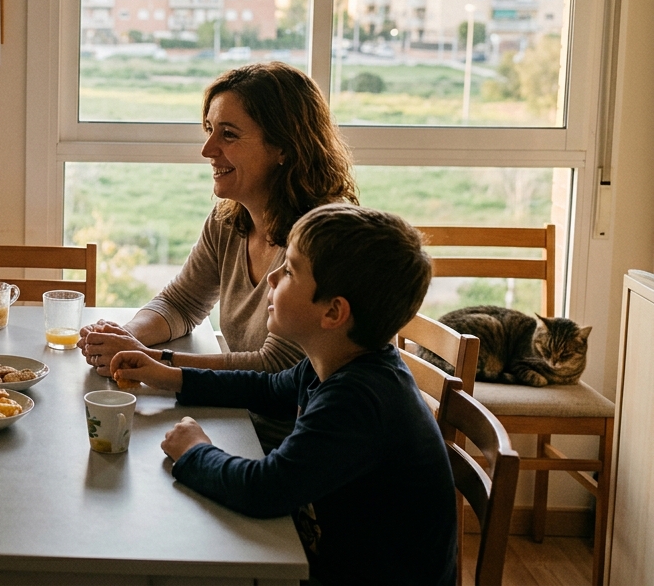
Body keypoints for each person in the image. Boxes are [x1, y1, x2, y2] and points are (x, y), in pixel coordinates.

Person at [111, 204, 457, 586]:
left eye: (289, 270)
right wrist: (169, 376)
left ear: (333, 312)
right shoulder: (335, 361)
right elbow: (265, 388)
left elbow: (265, 490)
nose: (272, 277)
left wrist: (194, 450)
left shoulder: (357, 400)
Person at [78, 62, 356, 448]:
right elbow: (182, 303)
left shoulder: (323, 236)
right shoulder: (230, 218)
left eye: (228, 134)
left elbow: (276, 368)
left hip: (288, 444)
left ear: (283, 147)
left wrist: (155, 363)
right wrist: (126, 337)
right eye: (209, 130)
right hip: (239, 420)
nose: (207, 149)